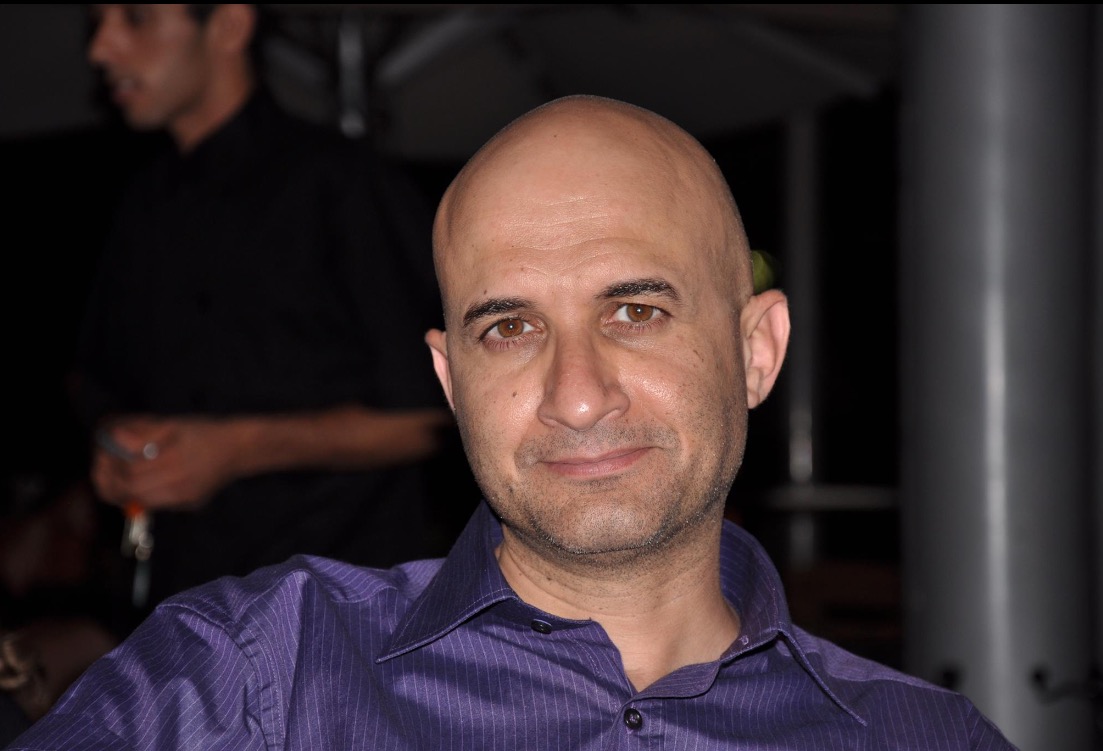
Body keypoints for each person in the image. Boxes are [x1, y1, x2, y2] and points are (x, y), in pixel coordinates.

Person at [4, 94, 1018, 750]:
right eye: (509, 328)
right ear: (449, 381)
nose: (576, 394)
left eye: (634, 312)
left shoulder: (922, 736)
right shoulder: (254, 677)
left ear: (757, 350)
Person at [72, 3, 458, 627]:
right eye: (97, 24)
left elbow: (435, 415)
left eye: (136, 17)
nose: (101, 49)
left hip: (342, 616)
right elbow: (97, 383)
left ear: (229, 25)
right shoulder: (142, 201)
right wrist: (117, 445)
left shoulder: (342, 183)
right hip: (182, 608)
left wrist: (236, 449)